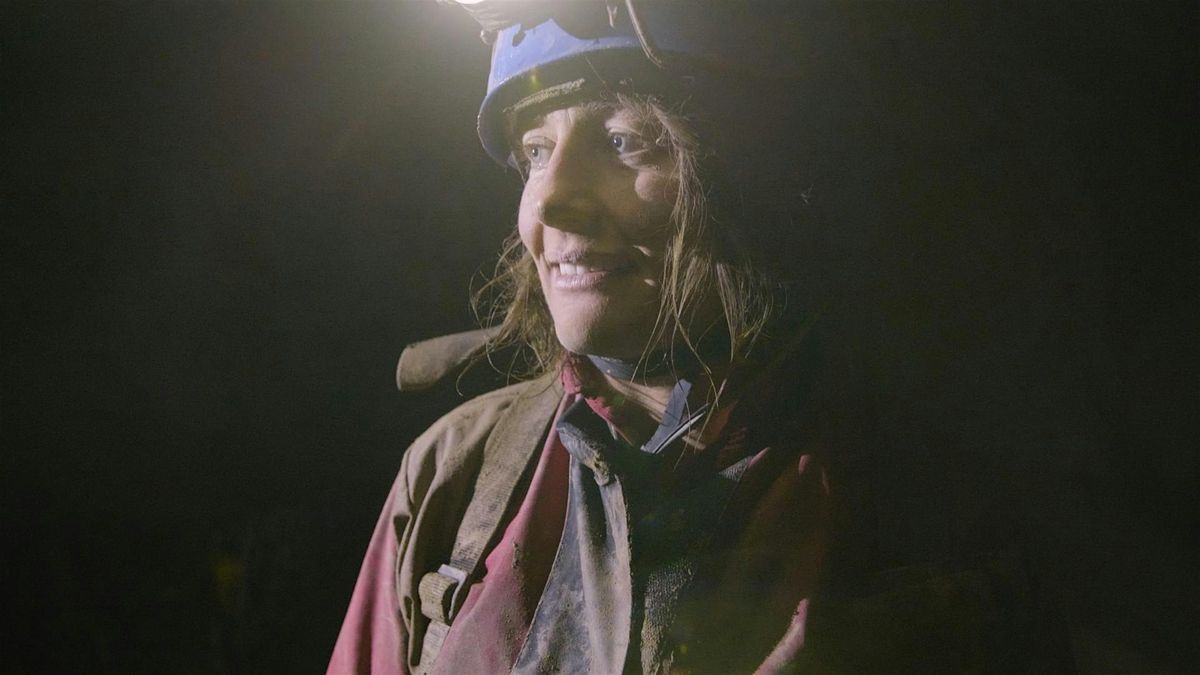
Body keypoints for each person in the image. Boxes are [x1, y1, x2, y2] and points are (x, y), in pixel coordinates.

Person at [330, 3, 1073, 673]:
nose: (550, 199)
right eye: (535, 150)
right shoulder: (455, 473)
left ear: (757, 176)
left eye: (623, 140)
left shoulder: (921, 505)